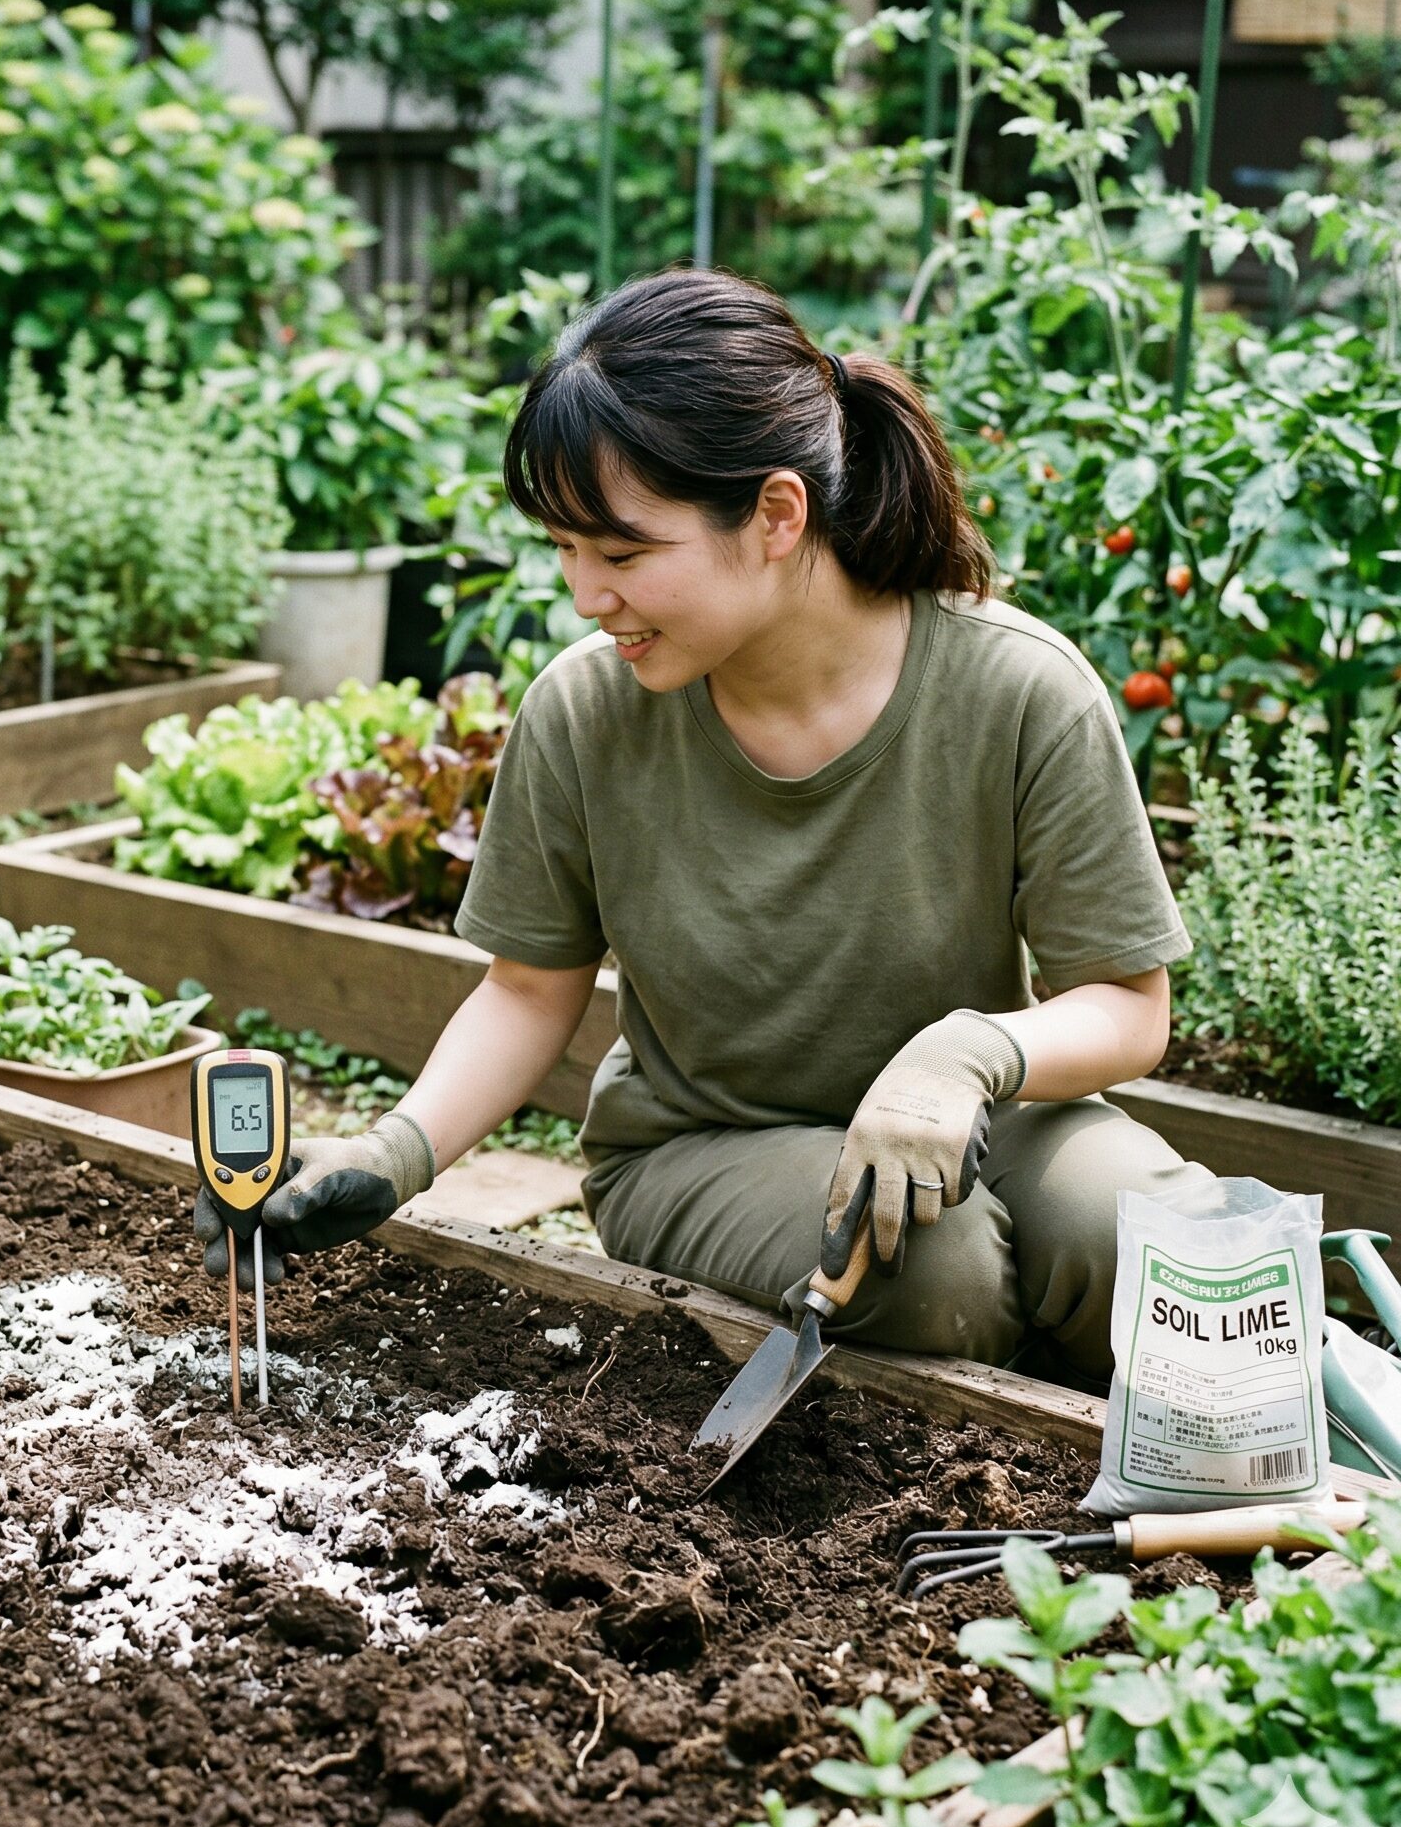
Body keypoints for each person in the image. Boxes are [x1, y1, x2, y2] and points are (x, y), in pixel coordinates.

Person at [196, 269, 1214, 1380]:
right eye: (563, 550)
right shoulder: (586, 710)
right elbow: (527, 989)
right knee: (930, 1264)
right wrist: (390, 1154)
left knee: (1162, 1246)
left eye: (623, 554)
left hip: (968, 1115)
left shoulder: (1017, 690)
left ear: (776, 514)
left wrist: (969, 1051)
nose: (586, 594)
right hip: (701, 1147)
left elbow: (1125, 1006)